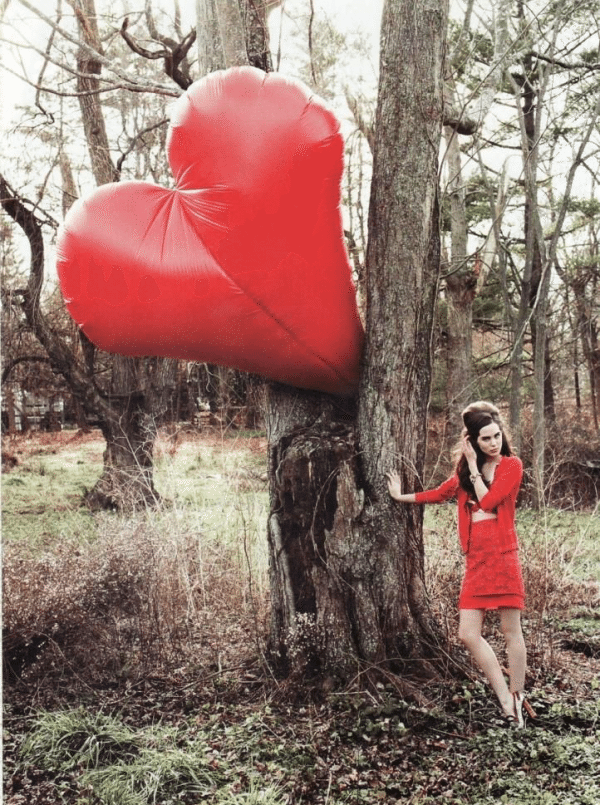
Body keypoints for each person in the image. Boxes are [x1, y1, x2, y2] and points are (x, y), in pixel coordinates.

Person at [387, 401, 528, 728]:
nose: (493, 443)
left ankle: (518, 698)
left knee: (511, 631)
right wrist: (400, 497)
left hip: (503, 555)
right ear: (472, 441)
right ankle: (504, 697)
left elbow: (489, 502)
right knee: (467, 633)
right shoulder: (465, 475)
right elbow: (439, 493)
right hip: (477, 560)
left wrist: (474, 467)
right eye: (485, 439)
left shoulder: (511, 465)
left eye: (496, 436)